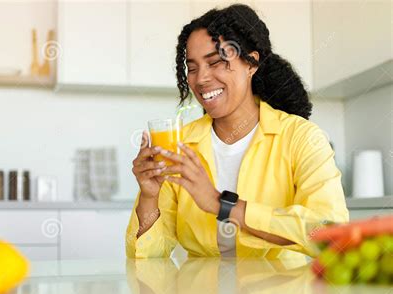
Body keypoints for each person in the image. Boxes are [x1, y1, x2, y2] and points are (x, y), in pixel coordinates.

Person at [126, 4, 349, 259]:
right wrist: (149, 197)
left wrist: (221, 205)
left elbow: (332, 237)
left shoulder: (302, 138)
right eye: (193, 67)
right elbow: (148, 259)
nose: (201, 79)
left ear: (251, 63)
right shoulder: (181, 146)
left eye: (216, 62)